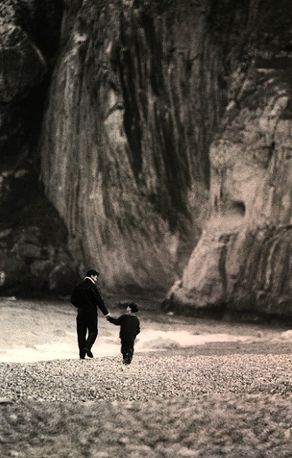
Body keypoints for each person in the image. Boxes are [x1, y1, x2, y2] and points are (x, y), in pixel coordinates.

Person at [71, 269, 110, 359]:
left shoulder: (79, 286)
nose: (96, 279)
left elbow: (72, 300)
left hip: (81, 313)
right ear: (92, 276)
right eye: (96, 276)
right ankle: (87, 347)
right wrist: (106, 313)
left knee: (81, 333)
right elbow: (99, 301)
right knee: (93, 331)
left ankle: (81, 356)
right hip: (91, 313)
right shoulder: (92, 286)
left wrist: (80, 306)